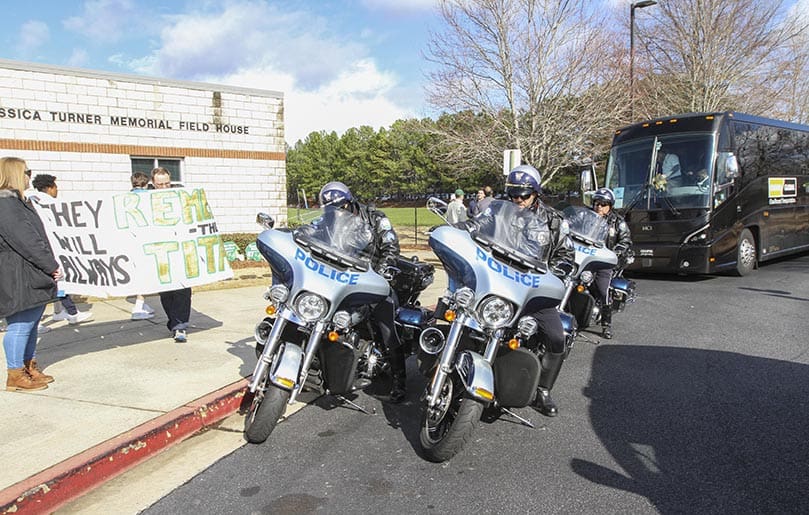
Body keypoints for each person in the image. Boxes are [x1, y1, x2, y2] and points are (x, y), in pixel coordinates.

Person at [490, 165, 575, 416]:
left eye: (524, 195)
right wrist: (458, 229)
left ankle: (542, 391)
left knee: (557, 337)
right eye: (513, 194)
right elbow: (475, 226)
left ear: (536, 193)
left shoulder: (554, 220)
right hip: (499, 281)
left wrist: (550, 276)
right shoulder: (497, 211)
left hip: (534, 288)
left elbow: (566, 255)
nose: (517, 199)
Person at [318, 181, 408, 403]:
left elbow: (391, 247)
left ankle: (399, 381)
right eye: (330, 209)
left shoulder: (376, 218)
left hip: (371, 280)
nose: (336, 212)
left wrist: (380, 274)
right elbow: (313, 235)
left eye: (340, 207)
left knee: (387, 326)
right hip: (339, 279)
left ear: (350, 202)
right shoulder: (327, 221)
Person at [1, 157, 62, 391]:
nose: (30, 176)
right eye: (27, 171)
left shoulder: (17, 201)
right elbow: (27, 241)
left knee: (31, 322)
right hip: (18, 273)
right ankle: (15, 374)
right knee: (21, 324)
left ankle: (28, 366)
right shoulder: (6, 204)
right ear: (15, 174)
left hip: (27, 270)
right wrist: (50, 265)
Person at [28, 174, 94, 325]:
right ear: (49, 187)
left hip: (40, 248)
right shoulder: (48, 203)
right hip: (50, 248)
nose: (57, 190)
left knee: (55, 282)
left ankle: (59, 312)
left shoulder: (31, 200)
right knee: (58, 280)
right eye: (55, 187)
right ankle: (71, 312)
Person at [152, 167, 192, 342]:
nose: (164, 187)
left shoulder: (180, 198)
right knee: (166, 292)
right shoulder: (145, 201)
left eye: (167, 183)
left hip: (180, 250)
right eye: (160, 184)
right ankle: (174, 321)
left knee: (182, 289)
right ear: (153, 184)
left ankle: (180, 325)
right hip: (158, 252)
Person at [589, 188, 633, 340]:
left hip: (605, 262)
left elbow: (625, 241)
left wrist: (615, 252)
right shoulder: (587, 218)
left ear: (610, 206)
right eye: (596, 203)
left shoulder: (618, 222)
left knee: (603, 290)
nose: (599, 207)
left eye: (603, 204)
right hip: (587, 258)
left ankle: (606, 325)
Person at [129, 172, 156, 320]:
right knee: (145, 274)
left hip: (131, 241)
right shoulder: (148, 198)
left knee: (139, 272)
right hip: (145, 240)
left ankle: (142, 303)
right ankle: (138, 307)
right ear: (146, 184)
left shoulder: (126, 198)